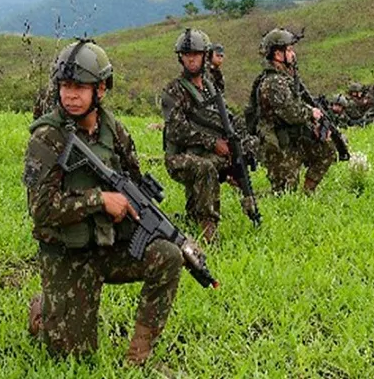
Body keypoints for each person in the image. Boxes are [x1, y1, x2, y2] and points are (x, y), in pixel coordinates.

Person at [23, 39, 183, 366]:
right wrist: (99, 200)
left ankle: (138, 356)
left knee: (168, 255)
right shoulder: (47, 138)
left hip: (108, 245)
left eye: (80, 87)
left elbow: (133, 184)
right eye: (65, 86)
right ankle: (43, 311)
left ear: (101, 89)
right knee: (73, 359)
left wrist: (144, 214)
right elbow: (41, 211)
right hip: (67, 253)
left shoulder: (114, 132)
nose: (70, 95)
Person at [161, 29, 252, 241]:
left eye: (196, 54)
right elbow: (177, 130)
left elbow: (223, 115)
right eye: (186, 54)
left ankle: (197, 214)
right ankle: (208, 231)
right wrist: (212, 142)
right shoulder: (173, 90)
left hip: (204, 152)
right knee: (206, 168)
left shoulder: (210, 86)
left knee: (239, 155)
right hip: (179, 157)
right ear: (180, 57)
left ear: (205, 56)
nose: (191, 59)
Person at [247, 28, 336, 194]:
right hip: (279, 144)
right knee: (284, 193)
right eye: (288, 50)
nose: (293, 54)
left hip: (295, 136)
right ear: (277, 54)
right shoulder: (273, 82)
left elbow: (298, 103)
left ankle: (308, 192)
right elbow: (291, 113)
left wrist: (316, 124)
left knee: (327, 148)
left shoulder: (286, 77)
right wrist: (311, 113)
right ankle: (250, 198)